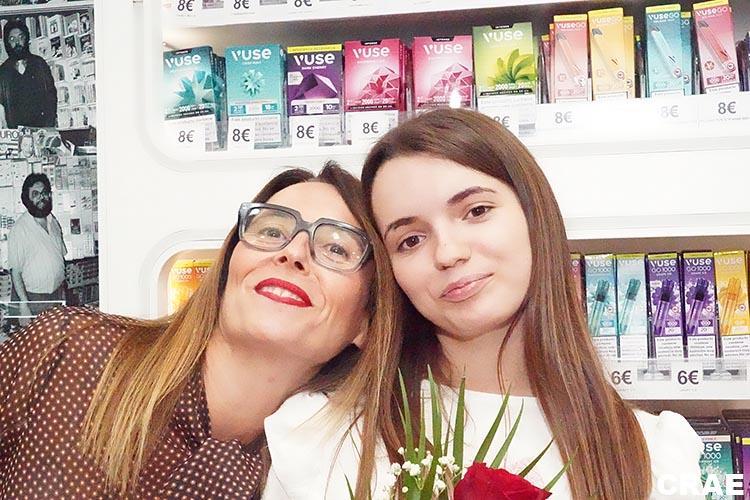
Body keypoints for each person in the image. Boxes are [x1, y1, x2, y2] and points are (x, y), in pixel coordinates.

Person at [264, 109, 704, 499]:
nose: (448, 252)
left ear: (534, 214)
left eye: (476, 211)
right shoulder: (323, 434)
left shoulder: (651, 451)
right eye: (410, 239)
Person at [0, 162, 400, 498]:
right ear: (228, 267)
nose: (293, 252)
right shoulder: (69, 349)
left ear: (367, 321)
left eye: (335, 248)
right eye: (271, 231)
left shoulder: (320, 478)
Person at [8, 173, 67, 320]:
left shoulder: (53, 222)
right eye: (35, 194)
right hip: (34, 299)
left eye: (44, 193)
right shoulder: (19, 229)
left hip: (58, 294)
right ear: (26, 199)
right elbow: (15, 272)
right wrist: (24, 305)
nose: (42, 197)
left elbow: (60, 257)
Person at [0, 19, 57, 129]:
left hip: (41, 130)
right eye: (12, 39)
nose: (17, 43)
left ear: (26, 39)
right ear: (7, 43)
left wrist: (49, 127)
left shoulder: (39, 64)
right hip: (15, 132)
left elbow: (51, 97)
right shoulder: (3, 72)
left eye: (21, 37)